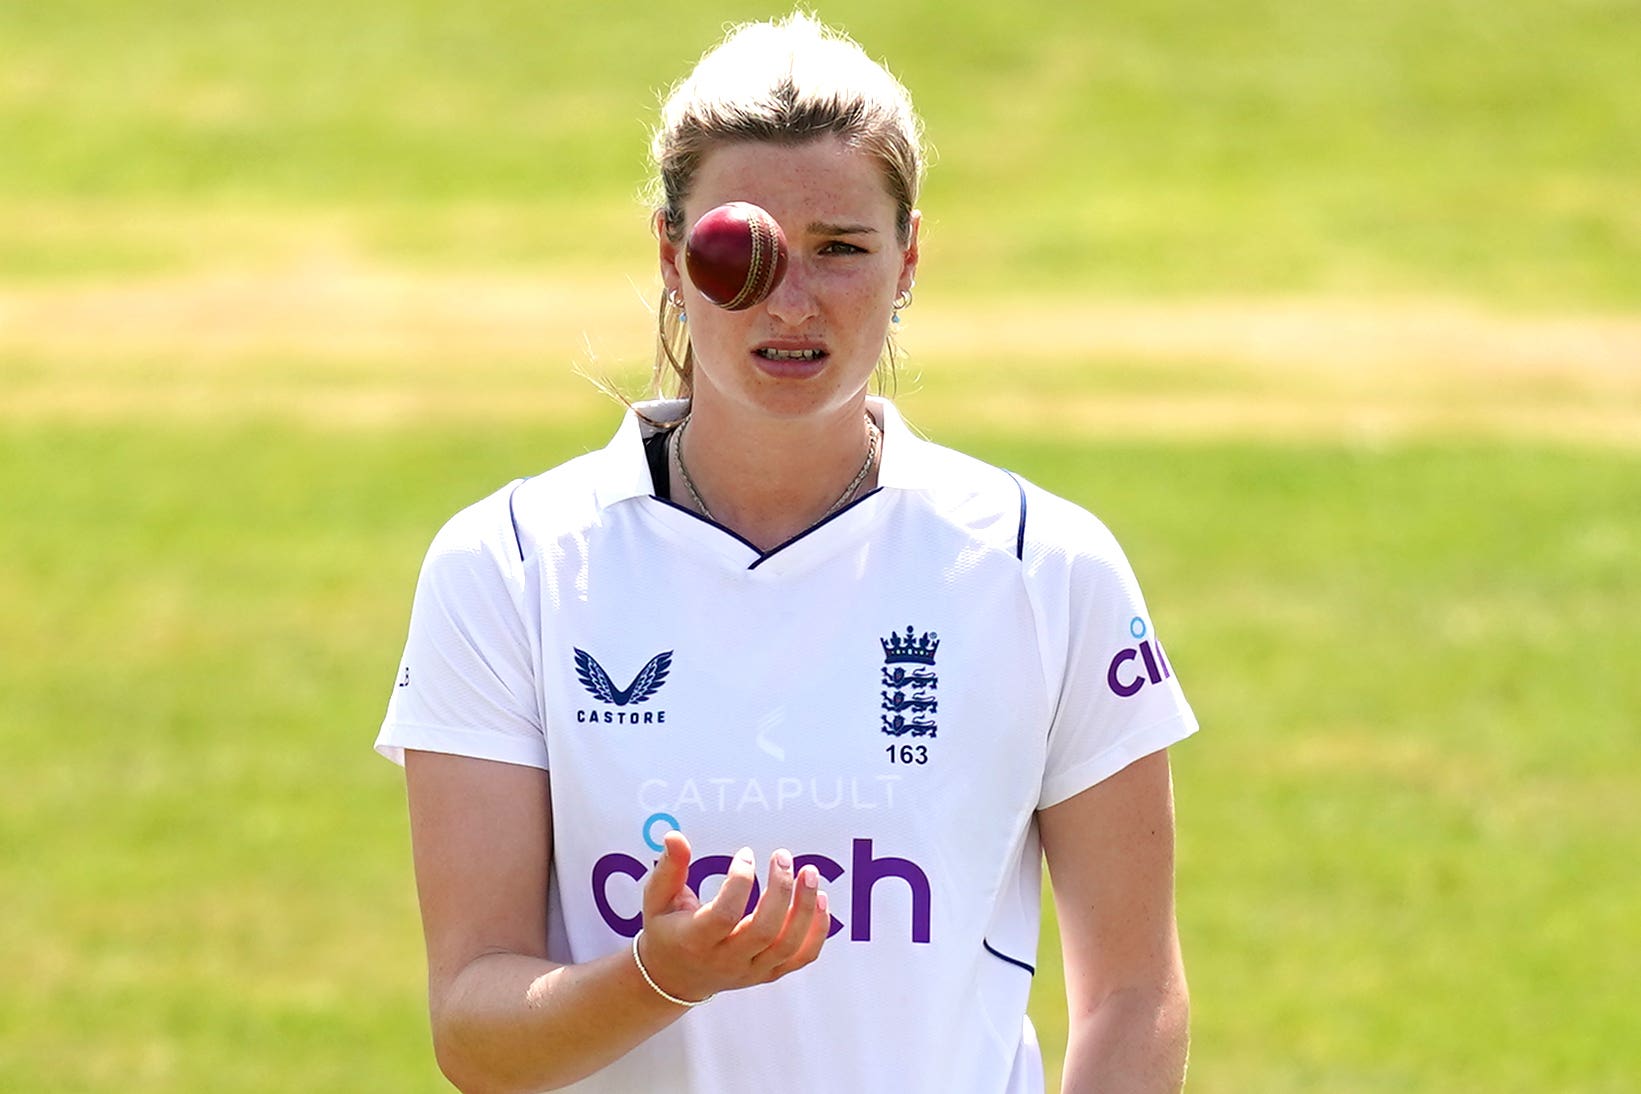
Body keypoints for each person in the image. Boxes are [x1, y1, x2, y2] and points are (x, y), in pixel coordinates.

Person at [376, 13, 1196, 1093]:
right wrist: (657, 977)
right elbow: (474, 1031)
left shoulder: (1047, 566)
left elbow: (1135, 996)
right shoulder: (510, 565)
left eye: (841, 249)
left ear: (910, 260)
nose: (792, 302)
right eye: (740, 251)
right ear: (671, 259)